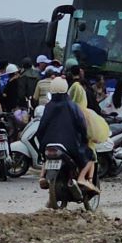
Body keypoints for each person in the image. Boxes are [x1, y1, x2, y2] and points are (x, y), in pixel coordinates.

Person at [36, 78, 92, 207]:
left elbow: (42, 126)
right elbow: (81, 125)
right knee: (88, 155)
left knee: (45, 159)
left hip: (49, 143)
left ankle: (42, 176)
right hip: (69, 145)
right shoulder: (72, 106)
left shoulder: (48, 106)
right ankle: (82, 179)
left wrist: (42, 143)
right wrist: (84, 138)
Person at [69, 81, 109, 188]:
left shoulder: (65, 111)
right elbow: (95, 133)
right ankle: (89, 181)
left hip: (66, 144)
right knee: (92, 156)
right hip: (83, 145)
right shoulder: (87, 113)